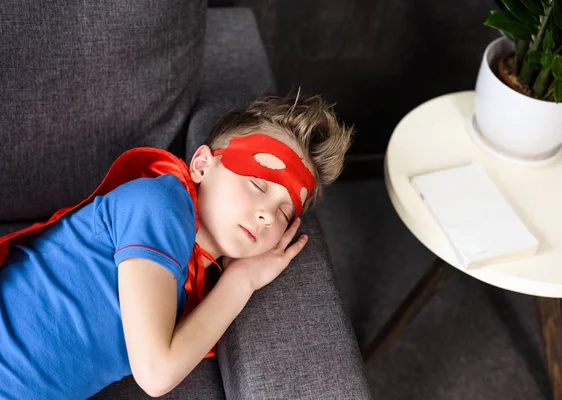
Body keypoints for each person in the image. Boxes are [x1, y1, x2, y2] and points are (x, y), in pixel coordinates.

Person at [0, 93, 353, 399]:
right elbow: (156, 374)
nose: (266, 216)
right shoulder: (162, 204)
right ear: (202, 165)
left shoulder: (195, 277)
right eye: (258, 185)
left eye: (284, 211)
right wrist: (241, 282)